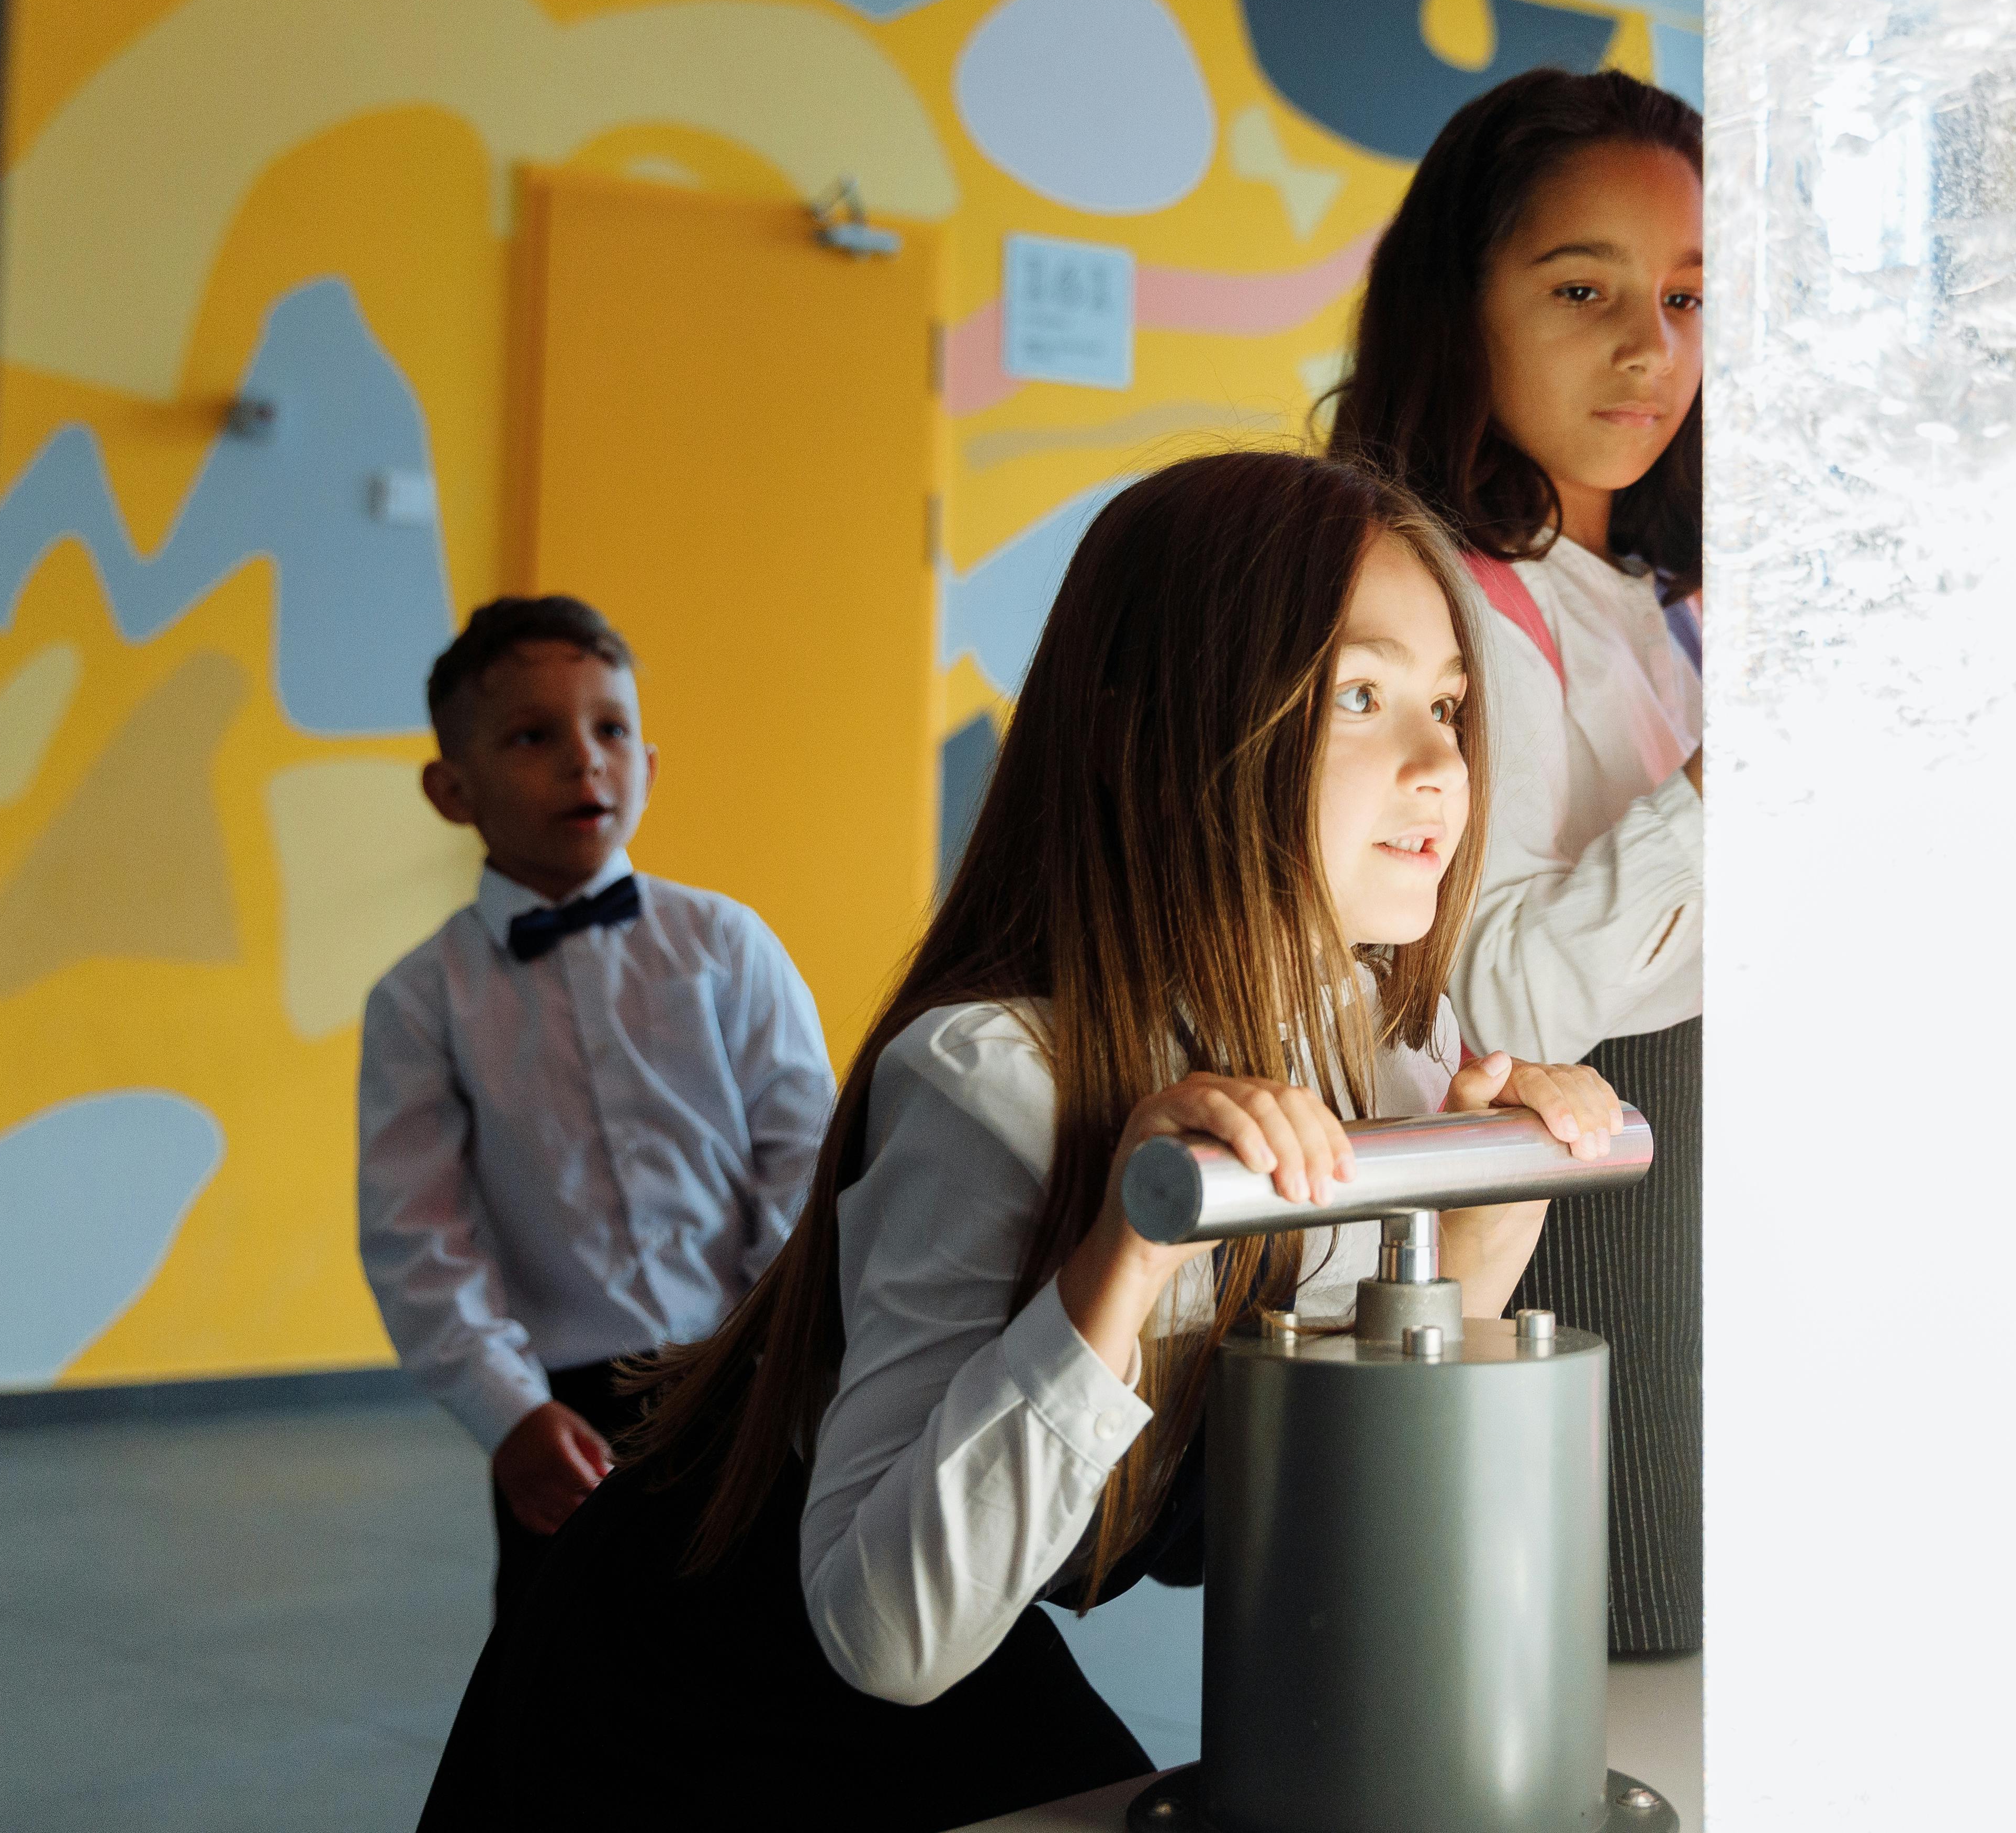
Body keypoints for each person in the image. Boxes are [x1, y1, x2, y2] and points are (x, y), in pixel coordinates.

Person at [414, 452, 1621, 1830]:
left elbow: (1308, 1517)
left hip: (954, 1611)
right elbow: (885, 1629)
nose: (1435, 766)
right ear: (1147, 728)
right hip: (699, 1667)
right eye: (1358, 694)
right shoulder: (994, 1080)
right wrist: (1125, 1248)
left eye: (1447, 705)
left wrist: (1492, 1199)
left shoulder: (1387, 1062)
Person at [1325, 65, 1708, 1654]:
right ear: (1454, 304)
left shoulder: (1647, 589)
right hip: (1584, 1191)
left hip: (1700, 1175)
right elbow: (1496, 990)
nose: (1651, 347)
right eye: (1581, 287)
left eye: (1689, 296)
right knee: (1616, 1640)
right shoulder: (1454, 595)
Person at [357, 594, 837, 1623]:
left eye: (610, 730)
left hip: (745, 1378)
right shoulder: (420, 998)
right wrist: (509, 1414)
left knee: (765, 1649)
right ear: (452, 789)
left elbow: (803, 1154)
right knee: (571, 1674)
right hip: (562, 1411)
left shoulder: (726, 944)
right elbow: (417, 1235)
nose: (585, 763)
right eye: (533, 736)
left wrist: (777, 1351)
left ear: (649, 767)